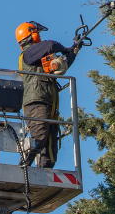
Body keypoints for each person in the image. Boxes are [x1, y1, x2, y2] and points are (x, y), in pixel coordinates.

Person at [15, 21, 78, 168]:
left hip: (48, 106)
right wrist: (64, 49)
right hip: (37, 103)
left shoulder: (38, 57)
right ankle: (22, 167)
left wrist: (74, 50)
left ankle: (44, 174)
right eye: (38, 33)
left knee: (50, 152)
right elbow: (50, 44)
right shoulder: (29, 53)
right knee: (39, 138)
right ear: (32, 35)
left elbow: (62, 66)